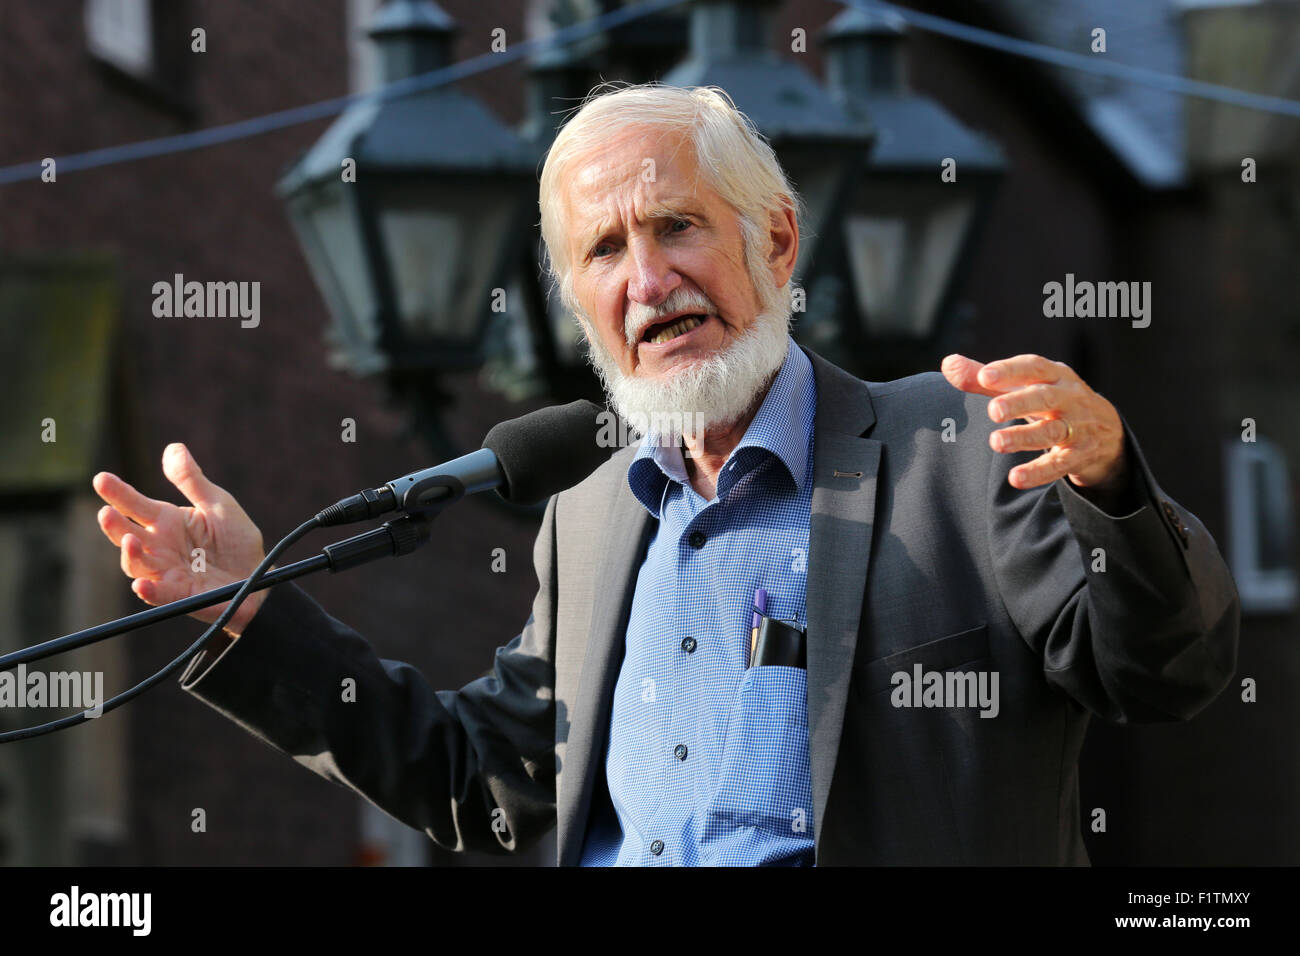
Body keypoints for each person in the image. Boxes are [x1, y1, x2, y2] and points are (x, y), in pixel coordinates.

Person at [91, 83, 1239, 865]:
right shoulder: (585, 517)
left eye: (677, 225)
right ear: (577, 299)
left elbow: (1165, 671)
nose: (647, 279)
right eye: (602, 249)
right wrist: (253, 612)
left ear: (775, 241)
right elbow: (484, 781)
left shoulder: (958, 444)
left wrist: (1110, 491)